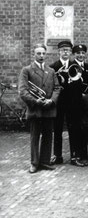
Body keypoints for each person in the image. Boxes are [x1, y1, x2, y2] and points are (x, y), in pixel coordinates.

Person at [18, 43, 61, 173]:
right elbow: (23, 90)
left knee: (48, 136)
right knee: (35, 137)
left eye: (43, 53)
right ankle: (34, 163)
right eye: (38, 53)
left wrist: (52, 100)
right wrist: (35, 101)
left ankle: (45, 161)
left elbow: (57, 88)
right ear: (34, 54)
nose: (41, 56)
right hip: (35, 109)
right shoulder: (26, 70)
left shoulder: (51, 71)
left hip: (48, 108)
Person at [49, 40, 73, 165]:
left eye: (68, 50)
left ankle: (74, 156)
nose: (65, 52)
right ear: (59, 51)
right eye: (63, 50)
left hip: (71, 102)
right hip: (58, 102)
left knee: (73, 128)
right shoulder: (53, 67)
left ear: (70, 52)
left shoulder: (75, 65)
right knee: (57, 129)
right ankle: (57, 155)